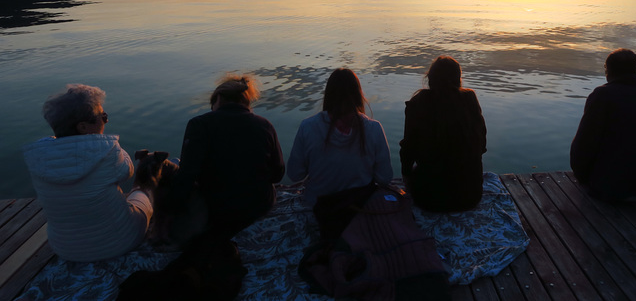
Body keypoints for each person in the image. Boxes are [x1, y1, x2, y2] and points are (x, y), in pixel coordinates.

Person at [22, 84, 153, 262]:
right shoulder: (108, 149)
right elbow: (127, 172)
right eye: (103, 116)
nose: (106, 121)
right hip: (119, 242)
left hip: (65, 249)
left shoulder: (37, 155)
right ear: (83, 127)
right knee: (142, 193)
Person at [167, 74, 285, 237]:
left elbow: (187, 176)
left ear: (219, 98)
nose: (212, 110)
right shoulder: (265, 125)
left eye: (212, 105)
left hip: (216, 209)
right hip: (259, 205)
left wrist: (171, 210)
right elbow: (277, 175)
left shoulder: (199, 125)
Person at [570, 48, 636, 201]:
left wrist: (582, 177)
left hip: (616, 190)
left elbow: (584, 144)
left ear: (607, 71)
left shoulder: (602, 95)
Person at [287, 68, 393, 207]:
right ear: (358, 94)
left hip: (319, 208)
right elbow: (385, 178)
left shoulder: (308, 126)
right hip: (359, 208)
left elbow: (295, 174)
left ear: (328, 95)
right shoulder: (374, 129)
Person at [400, 56, 487, 212]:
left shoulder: (417, 103)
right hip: (470, 197)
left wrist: (407, 178)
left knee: (418, 172)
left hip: (428, 199)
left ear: (430, 79)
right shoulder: (469, 99)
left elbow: (408, 150)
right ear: (458, 79)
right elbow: (481, 146)